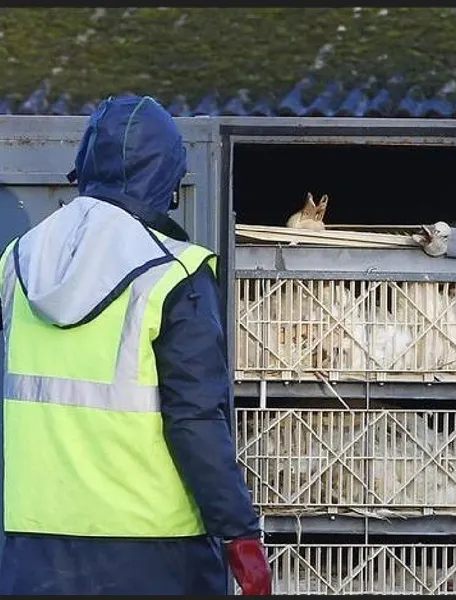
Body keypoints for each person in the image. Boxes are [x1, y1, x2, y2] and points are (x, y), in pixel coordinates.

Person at [0, 95, 272, 595]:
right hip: (154, 550)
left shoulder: (16, 263)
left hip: (32, 546)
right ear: (168, 182)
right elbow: (194, 420)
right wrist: (240, 534)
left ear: (82, 167)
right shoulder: (175, 273)